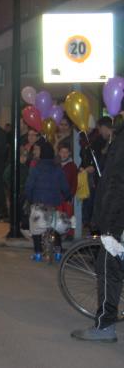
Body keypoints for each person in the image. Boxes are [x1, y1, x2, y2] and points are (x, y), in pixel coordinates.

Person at [71, 118, 124, 343]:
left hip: (117, 219)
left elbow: (115, 183)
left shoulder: (121, 141)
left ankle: (105, 326)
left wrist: (108, 225)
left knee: (108, 270)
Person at [24, 142, 71, 262]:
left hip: (38, 202)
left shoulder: (35, 169)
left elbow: (29, 187)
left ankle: (38, 253)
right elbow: (65, 187)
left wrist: (30, 199)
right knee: (55, 225)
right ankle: (58, 252)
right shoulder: (58, 169)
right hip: (54, 202)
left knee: (35, 228)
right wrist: (66, 197)